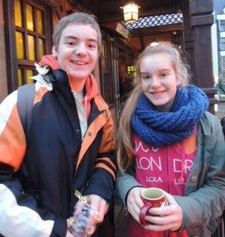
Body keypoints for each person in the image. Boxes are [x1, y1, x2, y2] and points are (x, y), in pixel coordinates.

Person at [0, 12, 117, 237]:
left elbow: (106, 157)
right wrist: (54, 229)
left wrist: (98, 192)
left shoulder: (101, 109)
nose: (81, 51)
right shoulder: (22, 102)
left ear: (97, 53)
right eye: (71, 42)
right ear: (55, 49)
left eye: (90, 45)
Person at [116, 42, 225, 236]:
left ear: (179, 77)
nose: (155, 83)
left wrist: (185, 210)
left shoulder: (207, 125)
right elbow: (122, 171)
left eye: (163, 74)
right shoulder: (129, 120)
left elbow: (219, 185)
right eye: (147, 77)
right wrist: (129, 190)